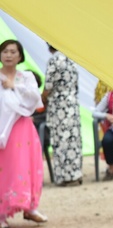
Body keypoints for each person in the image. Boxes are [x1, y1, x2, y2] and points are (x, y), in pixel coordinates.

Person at [0, 39, 48, 228]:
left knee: (25, 165)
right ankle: (1, 212)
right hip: (2, 128)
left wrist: (14, 86)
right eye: (5, 51)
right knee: (4, 167)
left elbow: (35, 99)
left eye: (13, 52)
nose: (9, 55)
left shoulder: (26, 77)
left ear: (20, 56)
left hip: (22, 127)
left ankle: (30, 207)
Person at [41, 44, 83, 186]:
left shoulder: (54, 60)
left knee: (60, 140)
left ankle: (63, 177)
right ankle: (76, 174)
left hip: (59, 105)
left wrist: (43, 99)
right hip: (72, 103)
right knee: (74, 140)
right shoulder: (72, 59)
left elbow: (48, 87)